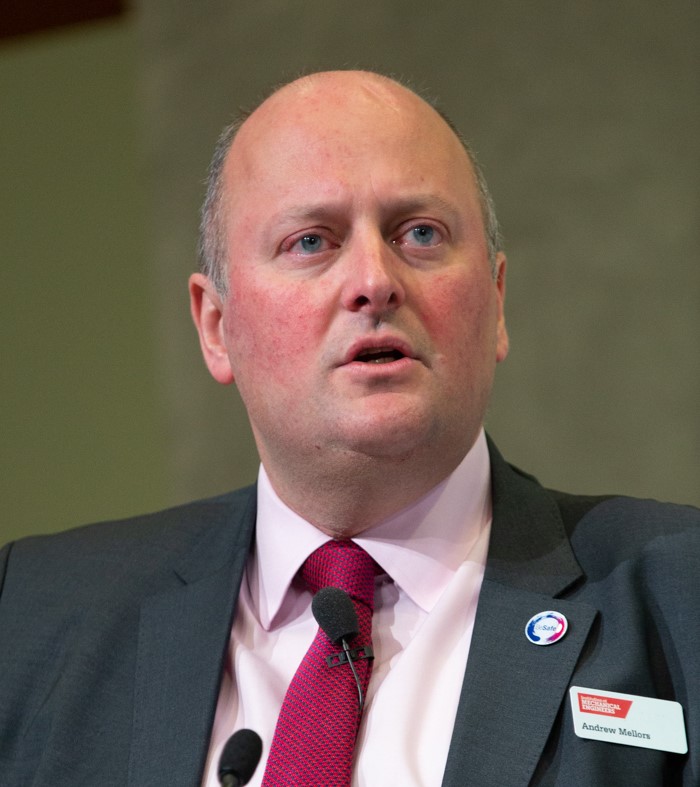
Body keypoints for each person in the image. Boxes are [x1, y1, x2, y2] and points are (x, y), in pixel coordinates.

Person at [0, 70, 698, 786]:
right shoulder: (30, 616)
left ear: (496, 302)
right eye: (311, 241)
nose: (374, 280)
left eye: (420, 233)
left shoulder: (682, 590)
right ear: (216, 326)